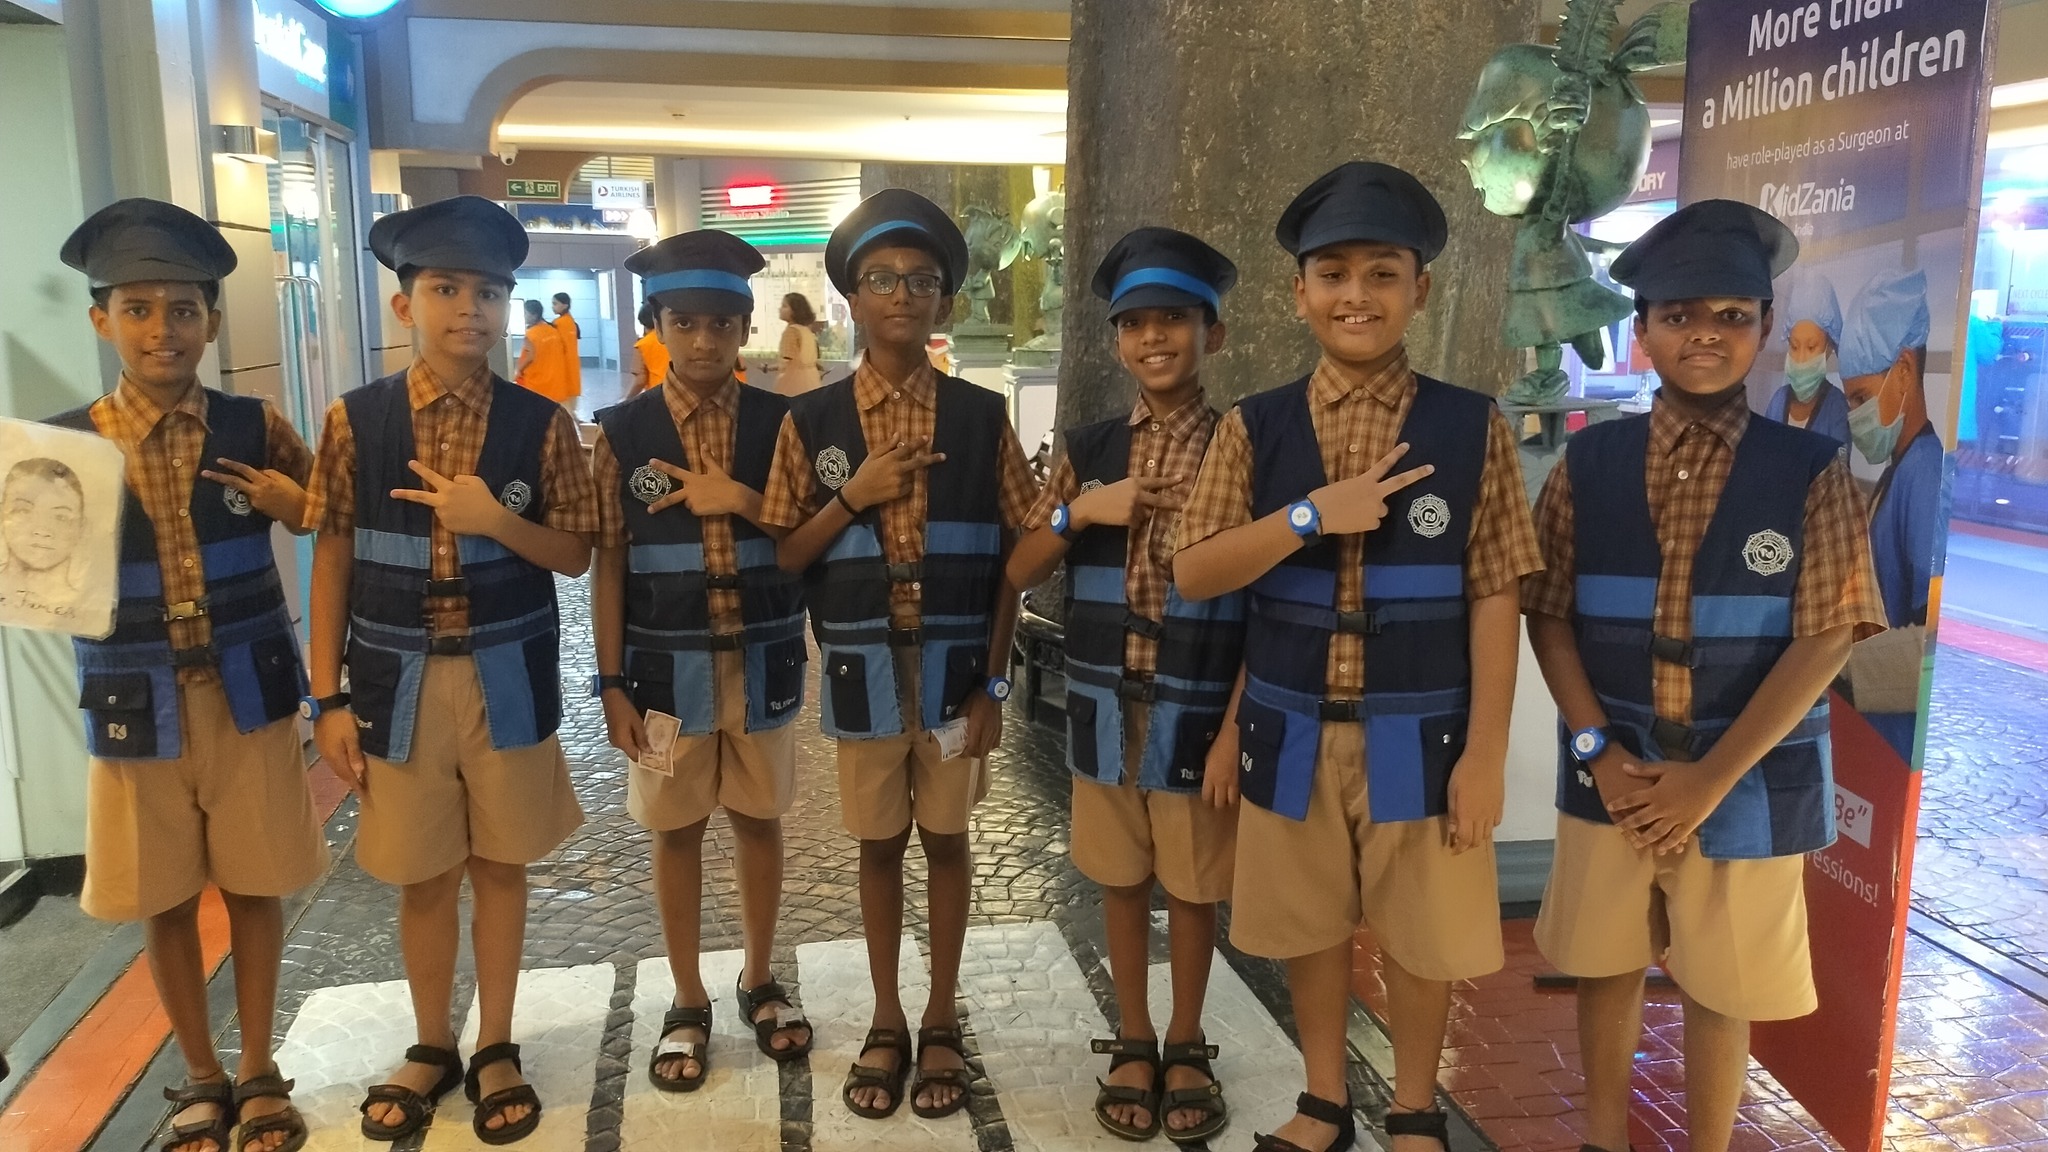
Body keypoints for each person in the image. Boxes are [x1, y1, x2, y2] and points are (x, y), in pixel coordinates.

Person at [1174, 162, 1540, 1152]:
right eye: (1332, 274)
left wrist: (1485, 754)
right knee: (1308, 927)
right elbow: (1197, 570)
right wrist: (1308, 516)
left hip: (1422, 735)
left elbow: (1496, 592)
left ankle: (1415, 1108)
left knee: (1423, 936)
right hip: (1289, 728)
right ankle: (1324, 1101)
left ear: (1420, 290)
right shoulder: (1256, 425)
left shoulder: (1470, 426)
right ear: (1298, 293)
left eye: (1382, 273)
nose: (1356, 296)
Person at [1522, 199, 1884, 1152]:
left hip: (1748, 785)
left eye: (1732, 315)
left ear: (1766, 327)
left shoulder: (1811, 470)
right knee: (1605, 964)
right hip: (1614, 779)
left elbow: (1830, 635)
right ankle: (1604, 1138)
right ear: (1641, 332)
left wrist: (1710, 780)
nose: (1706, 335)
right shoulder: (1589, 461)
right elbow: (1546, 612)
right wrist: (1599, 751)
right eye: (1679, 315)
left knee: (1725, 986)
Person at [305, 196, 595, 1145]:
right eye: (445, 289)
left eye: (489, 292)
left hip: (508, 671)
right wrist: (326, 698)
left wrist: (495, 520)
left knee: (501, 864)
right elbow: (333, 558)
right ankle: (431, 1042)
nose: (469, 308)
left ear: (508, 306)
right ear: (405, 305)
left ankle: (496, 1042)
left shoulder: (541, 424)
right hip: (395, 680)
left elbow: (574, 554)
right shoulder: (356, 421)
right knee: (421, 875)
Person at [51, 197, 329, 1152]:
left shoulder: (255, 424)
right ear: (102, 320)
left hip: (247, 692)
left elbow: (329, 514)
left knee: (256, 883)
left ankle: (258, 1070)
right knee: (161, 895)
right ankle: (201, 1074)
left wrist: (297, 505)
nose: (161, 329)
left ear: (211, 321)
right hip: (132, 701)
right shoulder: (63, 446)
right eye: (137, 309)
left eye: (182, 310)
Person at [760, 188, 1037, 1121]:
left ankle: (942, 1014)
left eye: (921, 281)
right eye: (881, 279)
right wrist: (856, 495)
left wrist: (996, 682)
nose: (903, 296)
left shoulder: (980, 417)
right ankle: (886, 1016)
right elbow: (786, 554)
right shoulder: (812, 422)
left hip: (959, 677)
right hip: (862, 676)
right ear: (851, 299)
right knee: (878, 847)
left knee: (948, 842)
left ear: (944, 300)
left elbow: (1017, 558)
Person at [1006, 226, 1245, 1144]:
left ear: (1212, 333)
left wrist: (1235, 727)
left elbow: (1266, 601)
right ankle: (1135, 1036)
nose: (1154, 338)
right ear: (1116, 341)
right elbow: (1023, 567)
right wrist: (1081, 509)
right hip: (1105, 703)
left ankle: (1186, 1039)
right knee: (1118, 876)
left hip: (1196, 702)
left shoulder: (1241, 444)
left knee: (1191, 885)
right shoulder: (1091, 445)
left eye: (1174, 320)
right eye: (1135, 323)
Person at [592, 229, 814, 1093]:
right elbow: (610, 566)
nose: (704, 340)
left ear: (746, 327)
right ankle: (687, 994)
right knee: (674, 828)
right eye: (683, 322)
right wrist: (610, 684)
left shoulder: (783, 424)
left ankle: (759, 974)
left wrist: (744, 499)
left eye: (722, 323)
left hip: (763, 662)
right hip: (661, 674)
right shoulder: (622, 433)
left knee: (760, 819)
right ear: (657, 327)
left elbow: (808, 540)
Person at [1839, 266, 1939, 760]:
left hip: (1895, 741)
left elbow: (1927, 644)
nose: (1853, 415)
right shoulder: (1899, 470)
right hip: (1874, 735)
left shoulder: (1926, 476)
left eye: (1860, 397)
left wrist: (1838, 667)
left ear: (1903, 370)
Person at [1764, 272, 1850, 445]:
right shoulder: (1778, 401)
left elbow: (1839, 461)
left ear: (1828, 348)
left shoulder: (1836, 407)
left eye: (1811, 347)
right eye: (1794, 346)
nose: (1801, 359)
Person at [0, 458, 89, 612]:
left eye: (60, 517)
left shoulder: (89, 609)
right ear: (2, 515)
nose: (42, 529)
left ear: (81, 527)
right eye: (23, 510)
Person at [514, 299, 570, 404]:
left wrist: (518, 370)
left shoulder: (531, 334)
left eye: (525, 313)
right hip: (555, 382)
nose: (524, 316)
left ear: (534, 315)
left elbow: (530, 357)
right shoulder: (553, 331)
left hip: (537, 383)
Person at [777, 292, 823, 396]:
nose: (780, 309)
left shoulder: (791, 331)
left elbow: (787, 361)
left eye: (784, 306)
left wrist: (768, 368)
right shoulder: (806, 331)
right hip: (812, 381)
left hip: (795, 383)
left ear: (795, 311)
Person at [627, 301, 670, 398]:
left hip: (657, 395)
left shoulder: (642, 344)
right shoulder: (674, 338)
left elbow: (640, 380)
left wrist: (627, 400)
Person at [550, 291, 584, 405]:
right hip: (572, 368)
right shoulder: (572, 322)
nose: (552, 307)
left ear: (565, 305)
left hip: (561, 368)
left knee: (564, 405)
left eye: (555, 304)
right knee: (571, 404)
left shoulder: (558, 323)